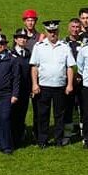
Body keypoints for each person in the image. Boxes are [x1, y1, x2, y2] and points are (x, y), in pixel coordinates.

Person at [31, 20, 76, 148]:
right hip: (43, 86)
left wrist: (69, 85)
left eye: (54, 31)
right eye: (50, 32)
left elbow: (69, 67)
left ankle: (58, 140)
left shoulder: (65, 47)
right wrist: (34, 84)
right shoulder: (39, 47)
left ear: (58, 31)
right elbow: (34, 67)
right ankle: (42, 140)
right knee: (42, 115)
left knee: (59, 115)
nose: (52, 34)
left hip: (60, 86)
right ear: (46, 32)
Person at [10, 28, 34, 147]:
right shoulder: (10, 54)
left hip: (25, 89)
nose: (23, 40)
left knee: (22, 114)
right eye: (20, 37)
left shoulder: (28, 54)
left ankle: (19, 138)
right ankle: (12, 139)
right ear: (15, 39)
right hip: (13, 90)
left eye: (25, 38)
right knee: (12, 115)